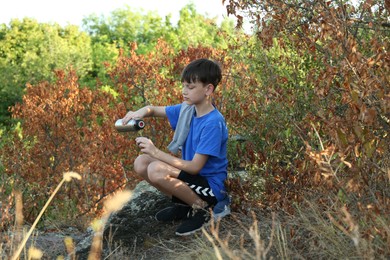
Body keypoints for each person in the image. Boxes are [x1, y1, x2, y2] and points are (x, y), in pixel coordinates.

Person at [121, 58, 230, 236]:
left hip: (210, 186)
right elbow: (154, 110)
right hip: (192, 179)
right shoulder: (188, 109)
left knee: (156, 168)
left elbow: (195, 168)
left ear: (208, 89)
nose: (184, 91)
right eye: (184, 85)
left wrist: (156, 152)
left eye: (190, 87)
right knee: (141, 162)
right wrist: (139, 113)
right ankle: (184, 205)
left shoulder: (213, 123)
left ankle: (202, 210)